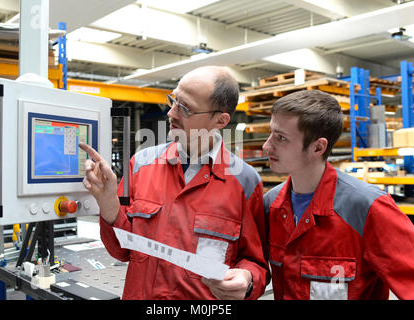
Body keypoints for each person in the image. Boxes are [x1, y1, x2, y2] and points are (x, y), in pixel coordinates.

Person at [79, 66, 270, 300]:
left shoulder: (245, 182)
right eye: (173, 100)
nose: (171, 113)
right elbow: (121, 250)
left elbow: (256, 262)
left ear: (220, 120)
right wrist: (108, 203)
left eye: (185, 108)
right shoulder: (141, 164)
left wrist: (247, 278)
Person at [262, 89, 414, 300]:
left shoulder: (368, 208)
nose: (266, 145)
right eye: (271, 133)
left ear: (318, 148)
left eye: (281, 138)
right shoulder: (271, 205)